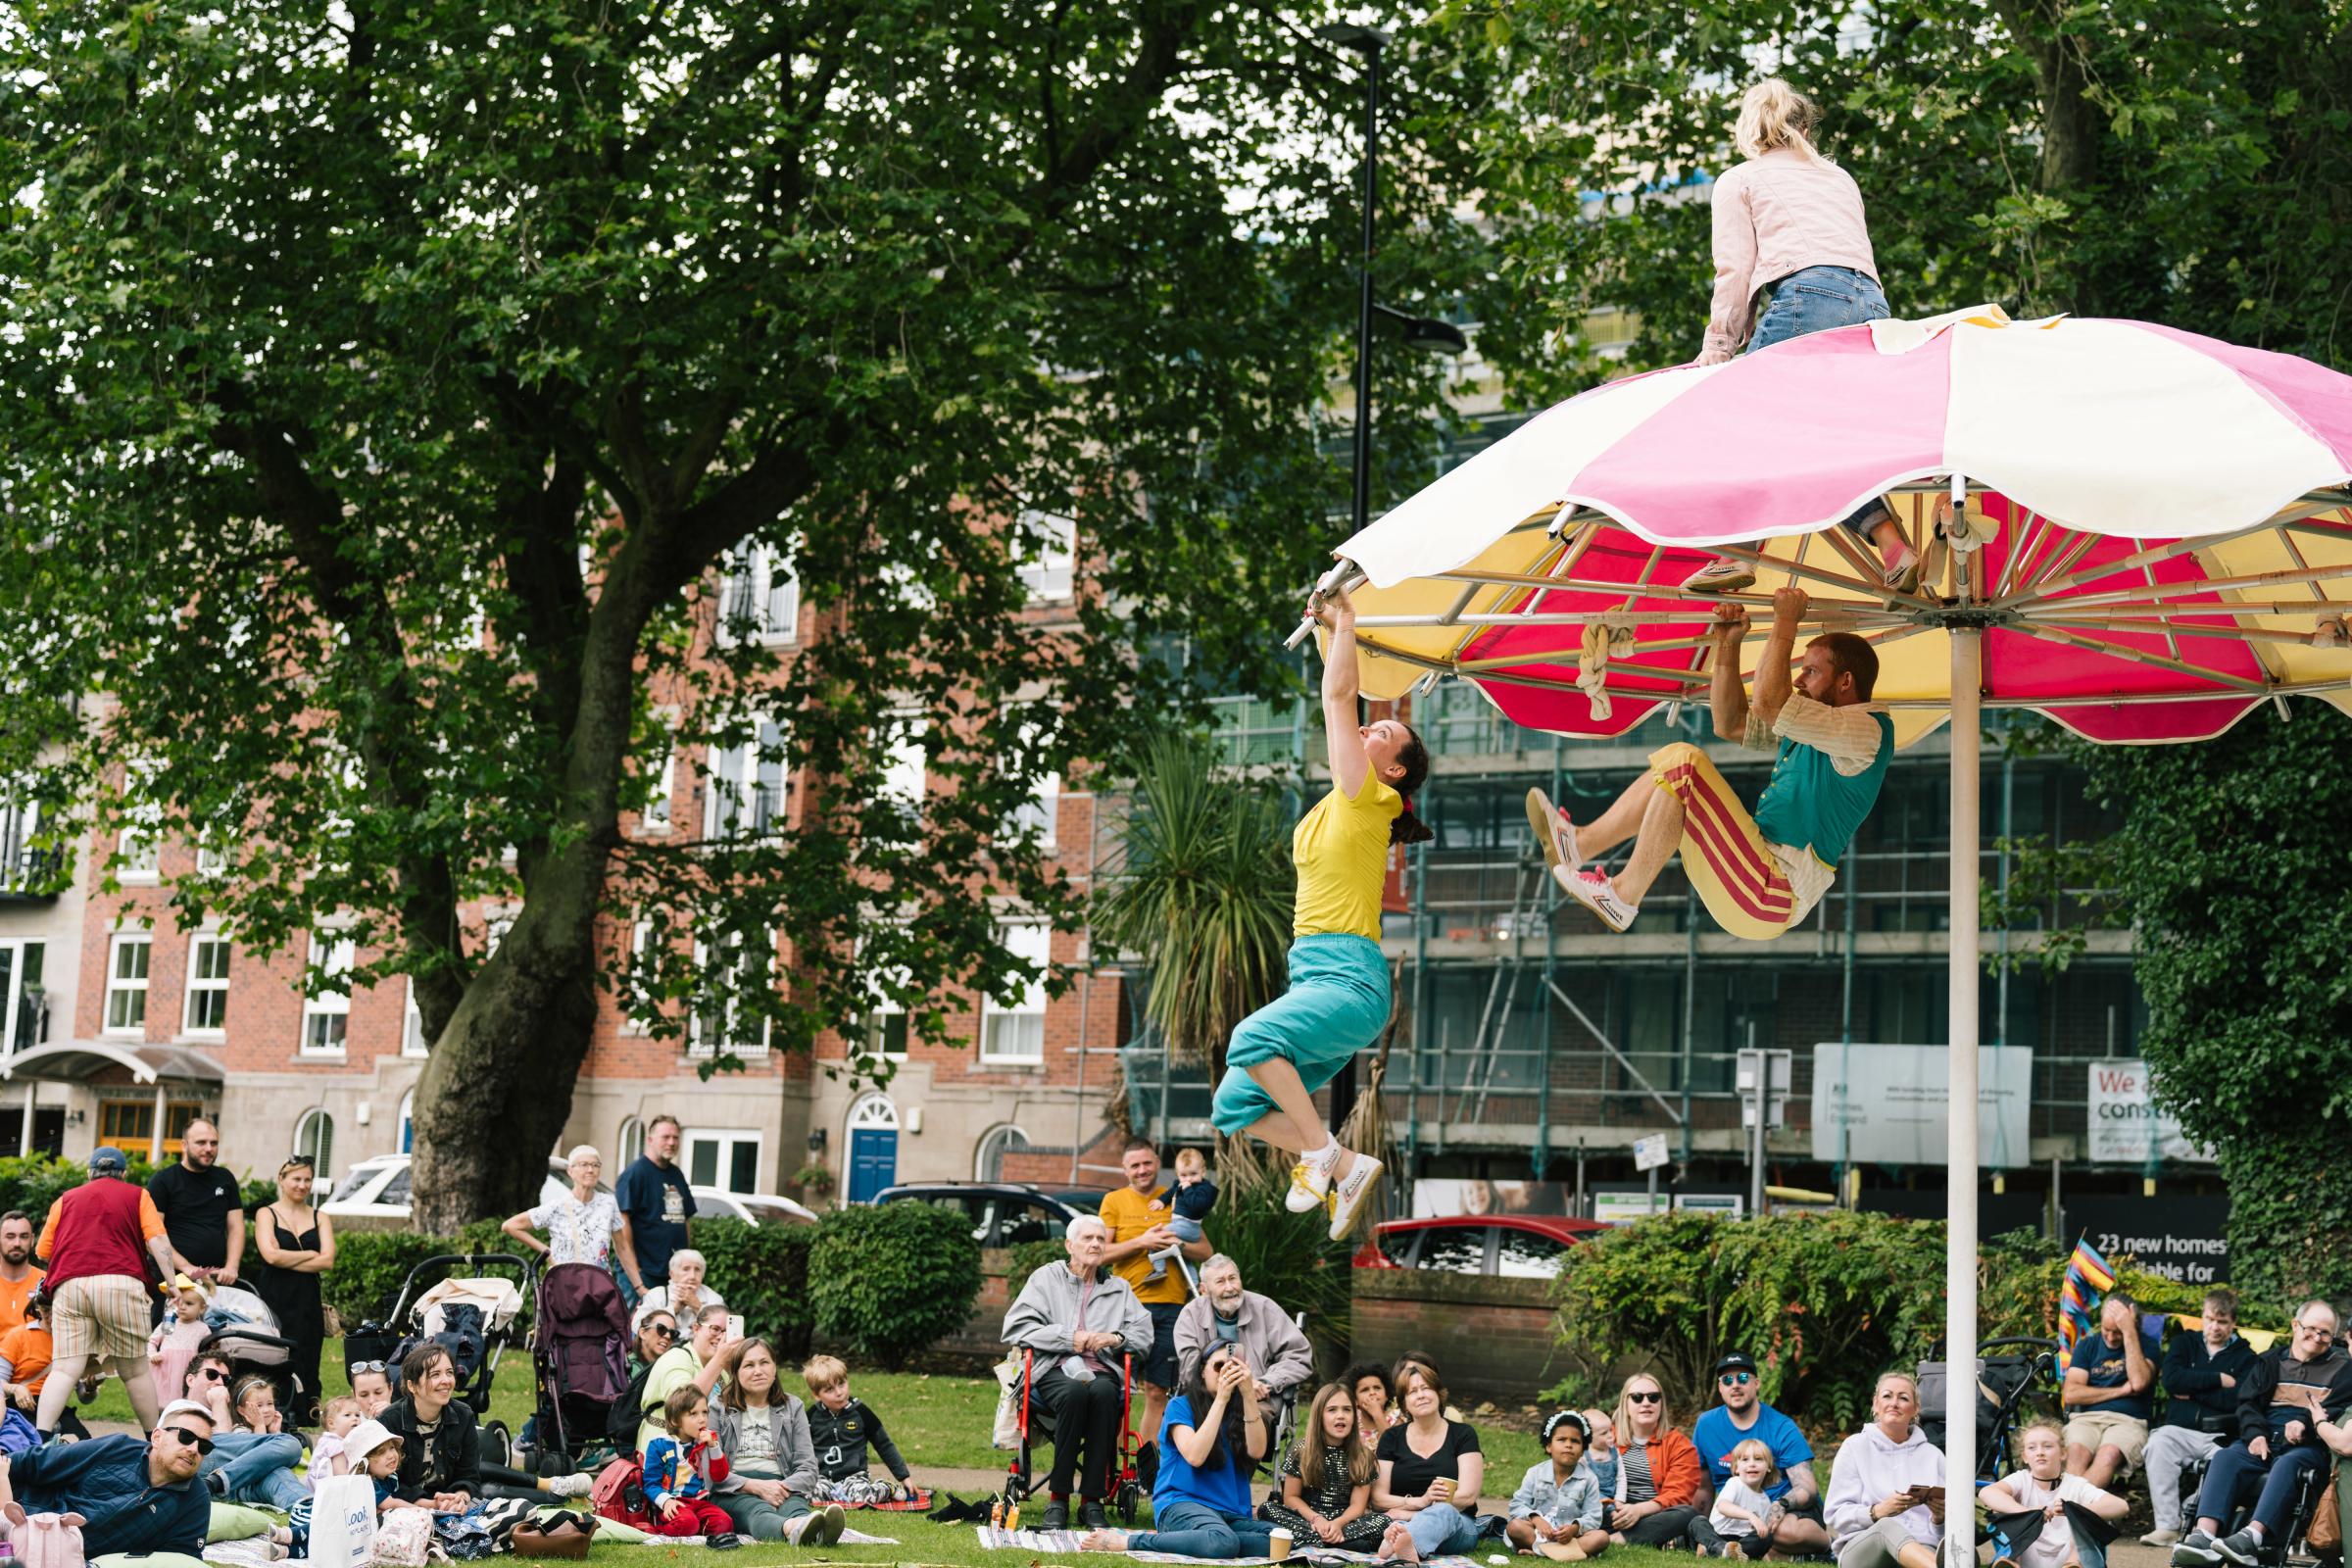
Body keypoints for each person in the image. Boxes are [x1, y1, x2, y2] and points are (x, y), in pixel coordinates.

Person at [1217, 584, 1429, 1235]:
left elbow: (1339, 698)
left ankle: (1320, 1152)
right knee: (1235, 1104)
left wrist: (1349, 623)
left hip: (1351, 980)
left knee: (1249, 1042)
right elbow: (1339, 700)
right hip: (1314, 975)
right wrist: (1329, 628)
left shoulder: (1372, 800)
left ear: (1393, 772)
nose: (1367, 726)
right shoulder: (1340, 801)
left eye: (1382, 731)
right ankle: (1343, 1165)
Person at [1533, 588, 1889, 941]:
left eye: (1810, 671)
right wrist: (1727, 645)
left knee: (1685, 765)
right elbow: (1730, 722)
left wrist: (1786, 622)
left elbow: (1769, 704)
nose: (1797, 679)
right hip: (1757, 879)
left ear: (1845, 681)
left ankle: (1623, 895)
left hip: (1774, 892)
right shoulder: (1816, 730)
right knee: (1675, 764)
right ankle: (1578, 843)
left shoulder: (1866, 732)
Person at [1678, 78, 1919, 597]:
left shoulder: (1739, 180)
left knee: (1746, 418)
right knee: (1824, 440)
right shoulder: (1839, 178)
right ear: (1805, 127)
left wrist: (1718, 349)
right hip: (1872, 310)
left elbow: (1734, 271)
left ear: (1748, 130)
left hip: (1806, 295)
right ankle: (1892, 543)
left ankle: (1736, 554)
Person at [2172, 1298, 2352, 1568]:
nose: (2317, 1336)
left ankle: (2251, 1538)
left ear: (2333, 1337)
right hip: (2264, 1437)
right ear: (2295, 1325)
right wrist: (2255, 1434)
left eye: (2325, 1332)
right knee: (2226, 1458)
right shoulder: (2270, 1361)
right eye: (2311, 1328)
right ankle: (2203, 1536)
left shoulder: (2343, 1368)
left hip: (2309, 1444)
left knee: (2290, 1463)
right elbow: (2247, 1404)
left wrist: (2306, 1423)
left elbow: (2338, 1405)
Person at [1001, 1213, 1152, 1532]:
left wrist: (1116, 1338)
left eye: (1100, 1239)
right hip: (1053, 1370)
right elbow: (1017, 1327)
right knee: (1074, 1393)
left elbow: (1144, 1333)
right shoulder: (1046, 1278)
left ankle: (1091, 1502)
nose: (1096, 1244)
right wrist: (1069, 1338)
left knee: (1104, 1392)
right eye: (1088, 1238)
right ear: (1070, 1245)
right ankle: (1058, 1498)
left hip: (1101, 1371)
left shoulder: (1118, 1288)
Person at [1078, 1342, 1272, 1558]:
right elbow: (1195, 1456)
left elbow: (1257, 1452)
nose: (1226, 1373)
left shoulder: (1244, 1411)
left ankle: (1211, 1539)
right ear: (1202, 1370)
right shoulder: (1180, 1406)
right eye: (1219, 1366)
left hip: (1230, 1512)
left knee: (1278, 1539)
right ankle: (1131, 1541)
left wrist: (1247, 1395)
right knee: (1222, 1541)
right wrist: (1222, 1399)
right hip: (1182, 1504)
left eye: (1235, 1367)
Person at [32, 1144, 175, 1434]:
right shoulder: (138, 1195)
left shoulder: (65, 1199)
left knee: (64, 1369)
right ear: (123, 1173)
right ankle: (153, 1439)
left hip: (70, 1285)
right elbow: (158, 1242)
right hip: (122, 1282)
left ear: (89, 1172)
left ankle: (40, 1441)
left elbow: (43, 1252)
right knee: (134, 1372)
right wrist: (172, 1283)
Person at [1100, 1139, 1210, 1475]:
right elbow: (1101, 1253)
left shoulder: (1178, 1194)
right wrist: (1142, 1242)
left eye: (1147, 1164)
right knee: (1118, 1389)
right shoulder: (1114, 1200)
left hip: (1173, 1307)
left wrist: (1179, 1243)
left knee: (1156, 1390)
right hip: (1126, 1307)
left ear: (1156, 1163)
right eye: (1134, 1165)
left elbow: (1205, 1250)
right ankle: (1112, 1466)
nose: (1142, 1170)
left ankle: (1143, 1470)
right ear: (1125, 1170)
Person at [0, 1397, 217, 1558]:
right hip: (22, 1517)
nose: (194, 1449)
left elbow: (180, 1559)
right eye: (186, 1437)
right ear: (157, 1437)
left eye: (204, 1446)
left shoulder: (194, 1500)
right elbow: (34, 1462)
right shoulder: (116, 1448)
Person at [2141, 1289, 2258, 1547]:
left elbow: (2239, 1399)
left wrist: (2192, 1390)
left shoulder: (2246, 1357)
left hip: (2223, 1435)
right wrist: (2218, 1380)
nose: (2215, 1327)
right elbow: (2171, 1380)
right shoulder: (2185, 1343)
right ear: (2202, 1318)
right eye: (2210, 1319)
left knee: (2228, 1466)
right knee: (2157, 1444)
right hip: (2179, 1429)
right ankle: (2167, 1526)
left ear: (2233, 1322)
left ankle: (2191, 1515)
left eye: (2222, 1321)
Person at [1690, 1349, 1833, 1554]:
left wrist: (1781, 1504)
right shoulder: (1706, 1425)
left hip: (1791, 1511)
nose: (1735, 1385)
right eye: (1728, 1380)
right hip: (1739, 1513)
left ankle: (1831, 1546)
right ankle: (1779, 1554)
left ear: (1756, 1383)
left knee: (1780, 1531)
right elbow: (1704, 1488)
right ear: (1720, 1387)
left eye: (1742, 1378)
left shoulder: (1781, 1426)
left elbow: (1807, 1488)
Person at [712, 1337, 843, 1545]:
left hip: (783, 1486)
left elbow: (808, 1468)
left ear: (774, 1368)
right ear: (735, 1373)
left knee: (795, 1507)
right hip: (735, 1489)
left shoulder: (793, 1407)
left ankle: (811, 1528)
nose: (758, 1371)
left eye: (764, 1363)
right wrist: (755, 1487)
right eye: (749, 1365)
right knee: (757, 1511)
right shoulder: (718, 1409)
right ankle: (795, 1528)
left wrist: (778, 1487)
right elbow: (711, 1474)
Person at [1171, 1254, 1315, 1425]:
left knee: (1250, 1421)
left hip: (1257, 1400)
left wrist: (1267, 1383)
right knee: (1183, 1417)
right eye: (1220, 1281)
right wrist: (1236, 1387)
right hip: (1206, 1399)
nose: (1230, 1287)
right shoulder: (1191, 1315)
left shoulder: (1265, 1308)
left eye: (1233, 1278)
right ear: (1204, 1289)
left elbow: (1298, 1355)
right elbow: (1191, 1367)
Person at [1824, 1371, 1944, 1568]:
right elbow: (1835, 1515)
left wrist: (1939, 1519)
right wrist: (1877, 1511)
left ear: (1915, 1409)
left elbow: (1943, 1533)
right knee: (1887, 1527)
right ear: (1875, 1404)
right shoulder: (1855, 1446)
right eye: (1887, 1396)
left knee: (1929, 1552)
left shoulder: (1934, 1455)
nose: (1894, 1403)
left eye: (1903, 1398)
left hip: (1920, 1549)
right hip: (1864, 1551)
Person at [1372, 1356, 1485, 1562]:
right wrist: (1420, 1501)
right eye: (1412, 1392)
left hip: (1458, 1525)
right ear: (1404, 1403)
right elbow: (1379, 1498)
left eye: (1426, 1388)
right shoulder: (1391, 1438)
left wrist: (1413, 1514)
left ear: (1439, 1394)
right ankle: (1406, 1550)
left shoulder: (1463, 1434)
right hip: (1402, 1522)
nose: (1421, 1395)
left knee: (1444, 1510)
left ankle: (1402, 1551)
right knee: (1396, 1525)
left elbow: (1467, 1497)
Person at [252, 1153, 336, 1426]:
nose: (302, 1185)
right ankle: (271, 1411)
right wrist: (311, 1254)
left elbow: (328, 1260)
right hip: (274, 1295)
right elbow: (270, 1257)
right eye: (296, 1179)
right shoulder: (267, 1213)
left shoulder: (320, 1215)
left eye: (307, 1180)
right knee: (274, 1351)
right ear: (282, 1179)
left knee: (308, 1353)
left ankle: (306, 1412)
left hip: (307, 1297)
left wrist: (287, 1255)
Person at [1982, 1417, 2130, 1568]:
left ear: (2063, 1453)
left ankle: (2074, 1564)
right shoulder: (2021, 1479)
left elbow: (2121, 1506)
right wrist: (2026, 1512)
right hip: (2027, 1557)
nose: (2040, 1452)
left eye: (2047, 1446)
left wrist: (2074, 1509)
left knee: (2088, 1515)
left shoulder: (2076, 1484)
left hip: (2070, 1558)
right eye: (2032, 1448)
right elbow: (1987, 1493)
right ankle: (2010, 1561)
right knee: (2001, 1508)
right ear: (2025, 1457)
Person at [1267, 1381, 1391, 1552]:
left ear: (1355, 1416)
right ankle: (1342, 1544)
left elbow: (1358, 1506)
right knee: (1268, 1509)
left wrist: (1338, 1524)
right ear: (1319, 1416)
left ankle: (1315, 1541)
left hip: (1345, 1521)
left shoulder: (1364, 1456)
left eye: (1347, 1410)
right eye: (1332, 1410)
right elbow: (1291, 1498)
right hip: (1309, 1518)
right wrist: (1317, 1520)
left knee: (1384, 1522)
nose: (1341, 1416)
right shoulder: (1302, 1451)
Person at [2063, 1292, 2159, 1491]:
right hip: (2087, 1418)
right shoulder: (2088, 1345)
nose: (2111, 1337)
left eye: (2118, 1331)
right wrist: (2121, 1391)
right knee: (2076, 1453)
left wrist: (2129, 1333)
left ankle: (2067, 1512)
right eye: (2107, 1330)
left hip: (2128, 1421)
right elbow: (2071, 1393)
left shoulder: (2147, 1345)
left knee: (2108, 1455)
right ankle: (2073, 1513)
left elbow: (2139, 1382)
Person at [1604, 1372, 1702, 1547]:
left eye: (1653, 1397)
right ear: (1625, 1403)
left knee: (1688, 1514)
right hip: (1613, 1514)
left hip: (1653, 1517)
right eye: (1637, 1398)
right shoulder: (1607, 1438)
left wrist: (1638, 1510)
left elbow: (1678, 1494)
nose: (1646, 1403)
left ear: (1661, 1404)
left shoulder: (1680, 1445)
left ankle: (1617, 1539)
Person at [638, 1302, 751, 1454]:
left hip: (701, 1451)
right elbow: (682, 1404)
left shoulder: (722, 1371)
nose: (721, 1337)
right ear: (696, 1328)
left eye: (727, 1332)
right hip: (662, 1452)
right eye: (715, 1329)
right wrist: (719, 1359)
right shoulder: (676, 1357)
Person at [382, 1343, 482, 1510]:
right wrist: (428, 1504)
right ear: (412, 1386)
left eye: (449, 1373)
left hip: (447, 1500)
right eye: (435, 1374)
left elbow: (469, 1474)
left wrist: (460, 1497)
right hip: (406, 1507)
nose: (446, 1381)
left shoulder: (464, 1415)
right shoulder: (389, 1422)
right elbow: (386, 1481)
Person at [802, 1353, 913, 1503]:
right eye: (829, 1390)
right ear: (816, 1395)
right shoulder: (811, 1416)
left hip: (854, 1478)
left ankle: (886, 1487)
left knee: (864, 1497)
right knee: (805, 1496)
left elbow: (884, 1445)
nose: (839, 1392)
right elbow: (799, 1448)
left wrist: (903, 1476)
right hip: (822, 1479)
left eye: (841, 1384)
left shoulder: (861, 1413)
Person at [148, 1119, 245, 1291]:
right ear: (184, 1145)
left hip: (215, 1279)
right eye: (201, 1142)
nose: (209, 1148)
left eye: (213, 1143)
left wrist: (232, 1266)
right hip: (171, 1281)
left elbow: (236, 1227)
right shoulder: (163, 1180)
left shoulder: (225, 1178)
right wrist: (187, 1267)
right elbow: (152, 1237)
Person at [641, 1385, 741, 1544]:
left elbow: (720, 1475)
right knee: (686, 1523)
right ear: (675, 1420)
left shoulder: (706, 1442)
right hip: (675, 1503)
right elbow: (650, 1484)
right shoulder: (659, 1444)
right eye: (693, 1414)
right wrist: (666, 1502)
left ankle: (696, 1530)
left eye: (704, 1412)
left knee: (724, 1523)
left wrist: (714, 1447)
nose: (702, 1419)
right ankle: (656, 1531)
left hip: (700, 1502)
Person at [1506, 1409, 1609, 1562]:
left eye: (1575, 1441)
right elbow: (1517, 1505)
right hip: (1538, 1534)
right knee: (1514, 1527)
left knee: (1601, 1538)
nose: (1568, 1445)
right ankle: (1563, 1554)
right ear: (1549, 1446)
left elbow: (1593, 1516)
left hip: (1570, 1539)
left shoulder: (1589, 1479)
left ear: (1582, 1451)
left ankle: (1541, 1552)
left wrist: (1574, 1528)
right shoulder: (1535, 1473)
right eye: (1562, 1439)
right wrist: (1536, 1519)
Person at [503, 1145, 627, 1271]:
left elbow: (622, 1247)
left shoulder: (608, 1203)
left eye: (595, 1165)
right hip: (565, 1283)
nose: (590, 1169)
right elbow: (510, 1226)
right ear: (570, 1171)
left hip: (599, 1285)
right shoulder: (557, 1206)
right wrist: (547, 1252)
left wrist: (638, 1286)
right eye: (584, 1164)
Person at [612, 1114, 690, 1309]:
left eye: (675, 1137)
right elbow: (622, 1224)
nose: (671, 1142)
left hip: (671, 1274)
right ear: (650, 1140)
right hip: (641, 1274)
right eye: (666, 1137)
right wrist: (636, 1273)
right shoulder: (634, 1174)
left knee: (667, 1330)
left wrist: (685, 1263)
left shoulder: (676, 1174)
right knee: (635, 1332)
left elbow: (685, 1219)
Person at [205, 1373, 309, 1510]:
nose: (266, 1410)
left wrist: (275, 1432)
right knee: (291, 1444)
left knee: (280, 1471)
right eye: (258, 1406)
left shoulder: (271, 1430)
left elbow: (274, 1459)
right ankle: (216, 1482)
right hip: (240, 1483)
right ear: (241, 1410)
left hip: (261, 1482)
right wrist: (261, 1427)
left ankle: (308, 1508)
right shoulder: (240, 1432)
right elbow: (259, 1457)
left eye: (270, 1404)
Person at [1690, 1439, 1778, 1559]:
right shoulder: (1735, 1483)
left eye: (1758, 1459)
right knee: (1698, 1521)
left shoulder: (1765, 1500)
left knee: (1766, 1537)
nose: (1752, 1464)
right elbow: (1723, 1506)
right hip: (1718, 1534)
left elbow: (1759, 1531)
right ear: (1736, 1468)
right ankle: (1720, 1549)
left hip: (1740, 1542)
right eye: (1745, 1460)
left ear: (1768, 1467)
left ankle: (1717, 1551)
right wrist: (1751, 1516)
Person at [1145, 1149, 1216, 1289]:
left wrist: (1188, 1189)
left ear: (1203, 1172)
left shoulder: (1205, 1189)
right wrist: (1161, 1201)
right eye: (1183, 1175)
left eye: (1193, 1174)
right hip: (1180, 1225)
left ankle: (1159, 1269)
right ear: (1177, 1174)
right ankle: (1194, 1283)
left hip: (1187, 1226)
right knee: (1182, 1257)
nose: (1188, 1179)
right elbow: (1170, 1192)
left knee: (1157, 1236)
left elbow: (1197, 1205)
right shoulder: (1180, 1183)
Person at [147, 1274, 213, 1416]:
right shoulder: (169, 1323)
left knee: (180, 1403)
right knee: (158, 1403)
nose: (182, 1307)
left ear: (202, 1308)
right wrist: (152, 1355)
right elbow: (152, 1341)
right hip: (163, 1367)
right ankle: (156, 1427)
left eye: (189, 1304)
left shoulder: (203, 1329)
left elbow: (207, 1352)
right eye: (179, 1302)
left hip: (184, 1369)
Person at [631, 1248, 726, 1338]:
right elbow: (637, 1327)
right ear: (672, 1274)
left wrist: (698, 1307)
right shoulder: (656, 1295)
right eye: (686, 1269)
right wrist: (673, 1310)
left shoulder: (714, 1298)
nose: (692, 1276)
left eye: (697, 1270)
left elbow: (725, 1332)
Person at [0, 1210, 43, 1333]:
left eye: (24, 1236)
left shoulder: (45, 1283)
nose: (17, 1243)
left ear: (32, 1240)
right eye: (10, 1236)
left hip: (35, 1351)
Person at [313, 1394, 365, 1480]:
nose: (355, 1418)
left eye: (357, 1415)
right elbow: (340, 1474)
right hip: (329, 1489)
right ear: (331, 1423)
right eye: (347, 1415)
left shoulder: (327, 1440)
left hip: (315, 1485)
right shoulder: (338, 1445)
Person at [1582, 1409, 1620, 1500]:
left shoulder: (1615, 1452)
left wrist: (1620, 1500)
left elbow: (1621, 1478)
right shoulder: (1584, 1457)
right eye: (1604, 1433)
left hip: (1614, 1495)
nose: (1610, 1435)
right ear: (1589, 1438)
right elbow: (1583, 1485)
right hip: (1593, 1496)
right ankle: (1611, 1511)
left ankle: (1612, 1510)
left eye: (1610, 1430)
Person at [1349, 1363, 1398, 1435]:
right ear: (1355, 1400)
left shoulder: (1397, 1417)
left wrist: (1377, 1414)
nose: (1372, 1393)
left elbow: (1395, 1444)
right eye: (1365, 1390)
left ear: (1386, 1395)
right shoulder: (1352, 1423)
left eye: (1377, 1388)